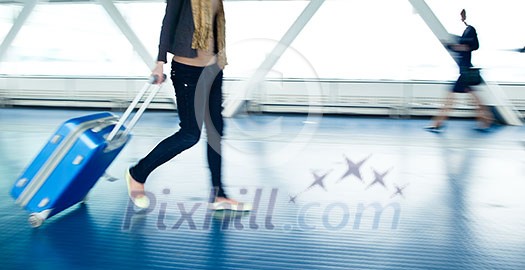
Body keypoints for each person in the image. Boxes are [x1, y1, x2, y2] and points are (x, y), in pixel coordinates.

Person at [125, 0, 249, 211]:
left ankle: (219, 195)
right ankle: (138, 173)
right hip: (187, 71)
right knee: (190, 134)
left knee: (216, 131)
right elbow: (169, 21)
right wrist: (159, 62)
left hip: (214, 70)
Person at [425, 9, 493, 133]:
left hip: (465, 72)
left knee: (450, 98)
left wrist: (450, 46)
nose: (462, 17)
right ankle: (486, 120)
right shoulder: (468, 31)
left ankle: (438, 123)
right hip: (465, 70)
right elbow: (465, 46)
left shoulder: (470, 31)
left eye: (463, 15)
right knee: (474, 99)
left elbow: (466, 47)